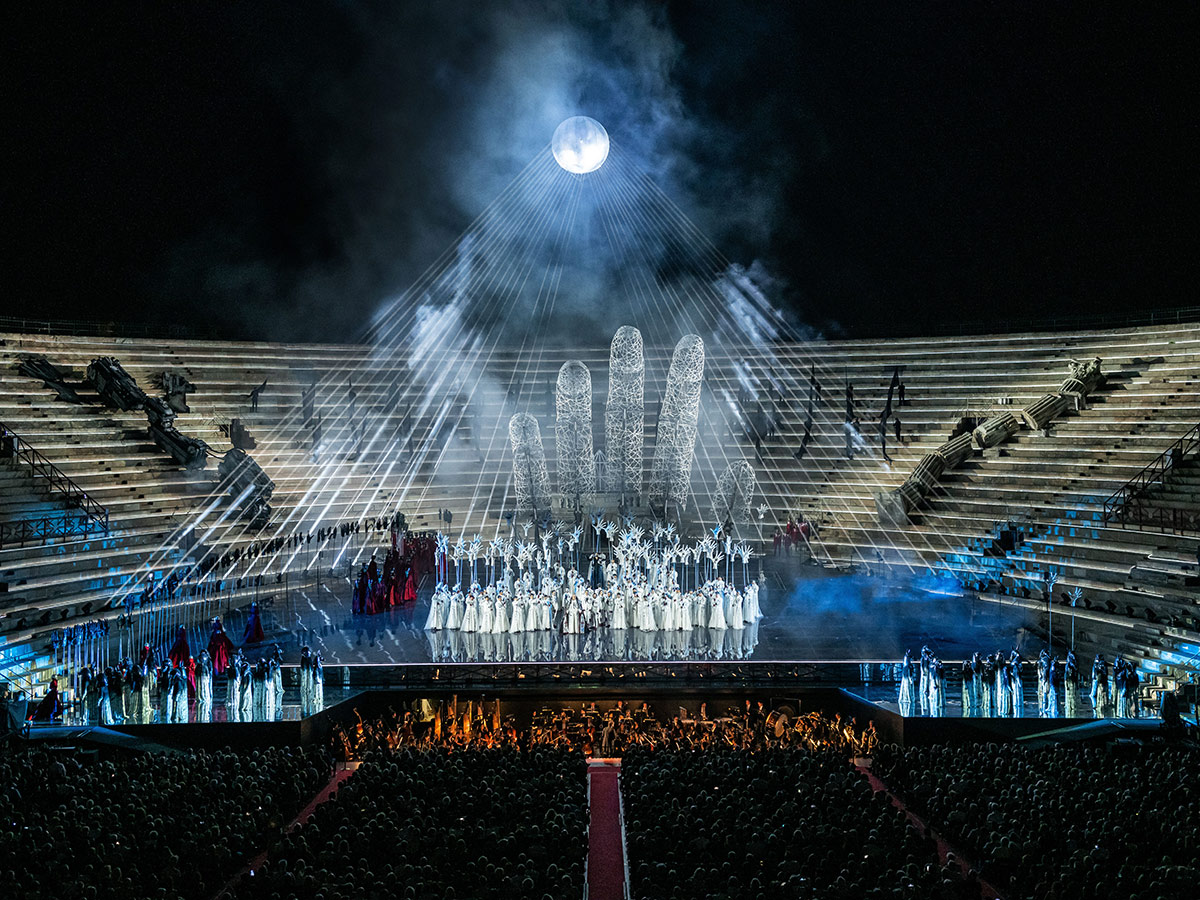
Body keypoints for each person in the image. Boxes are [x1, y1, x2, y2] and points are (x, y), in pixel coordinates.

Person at [196, 650, 213, 723]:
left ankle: (205, 698)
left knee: (205, 688)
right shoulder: (199, 666)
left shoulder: (207, 665)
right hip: (200, 678)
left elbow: (210, 672)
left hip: (205, 678)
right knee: (200, 688)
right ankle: (200, 698)